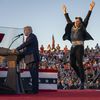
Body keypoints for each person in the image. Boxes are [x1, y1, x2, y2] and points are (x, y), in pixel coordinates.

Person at [62, 1, 95, 89]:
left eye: (78, 21)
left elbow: (87, 18)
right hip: (73, 47)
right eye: (75, 21)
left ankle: (82, 83)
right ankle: (81, 78)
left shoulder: (83, 26)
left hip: (80, 47)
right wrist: (65, 12)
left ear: (80, 22)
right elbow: (68, 20)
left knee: (79, 63)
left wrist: (90, 9)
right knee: (72, 64)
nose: (76, 22)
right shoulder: (72, 26)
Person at [15, 26, 40, 93]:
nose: (24, 32)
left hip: (32, 59)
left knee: (34, 75)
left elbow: (25, 44)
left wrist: (16, 49)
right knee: (34, 75)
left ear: (28, 30)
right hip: (30, 59)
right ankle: (35, 90)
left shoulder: (32, 36)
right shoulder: (30, 37)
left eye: (24, 31)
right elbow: (27, 48)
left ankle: (35, 91)